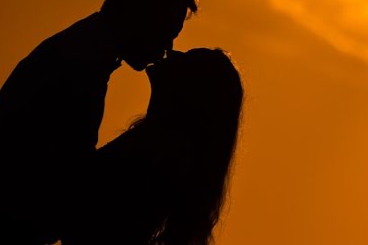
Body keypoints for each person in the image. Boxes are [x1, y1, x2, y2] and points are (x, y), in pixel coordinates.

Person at [0, 0, 197, 244]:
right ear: (139, 15)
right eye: (165, 34)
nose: (166, 51)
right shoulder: (79, 66)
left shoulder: (79, 53)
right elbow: (66, 180)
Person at [61, 48, 243, 245]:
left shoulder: (166, 151)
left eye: (187, 59)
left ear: (193, 89)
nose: (173, 53)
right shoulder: (162, 143)